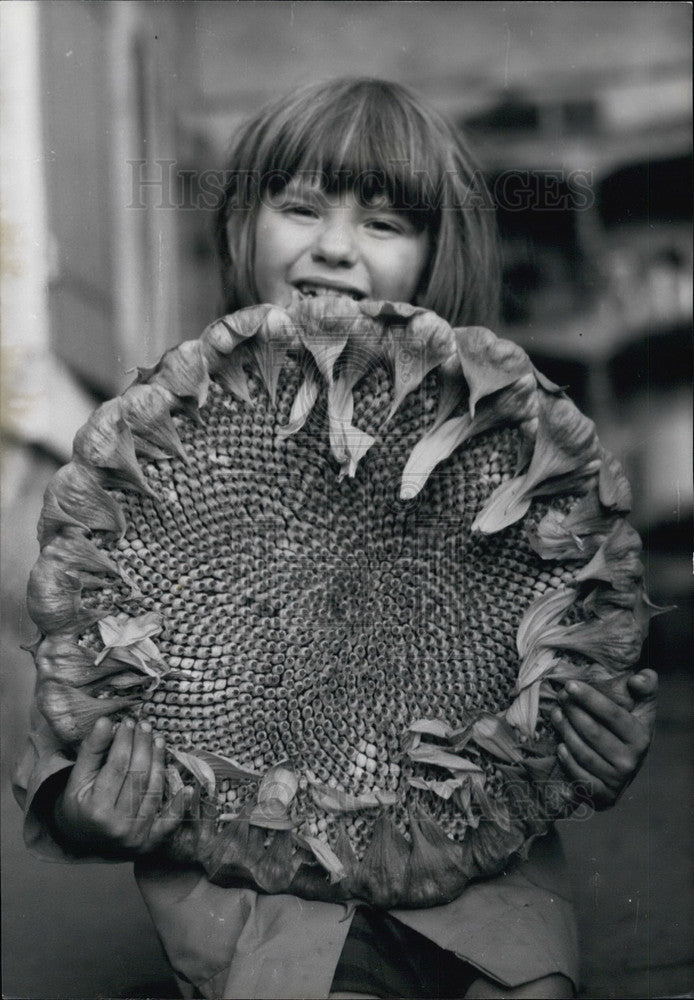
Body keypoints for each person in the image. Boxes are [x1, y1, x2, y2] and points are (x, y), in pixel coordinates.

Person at [14, 78, 658, 1000]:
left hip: (480, 870)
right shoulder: (158, 446)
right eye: (301, 207)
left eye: (386, 224)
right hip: (257, 887)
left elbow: (581, 648)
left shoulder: (507, 440)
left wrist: (591, 752)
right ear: (242, 226)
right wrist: (92, 810)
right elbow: (70, 727)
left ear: (440, 253)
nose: (334, 246)